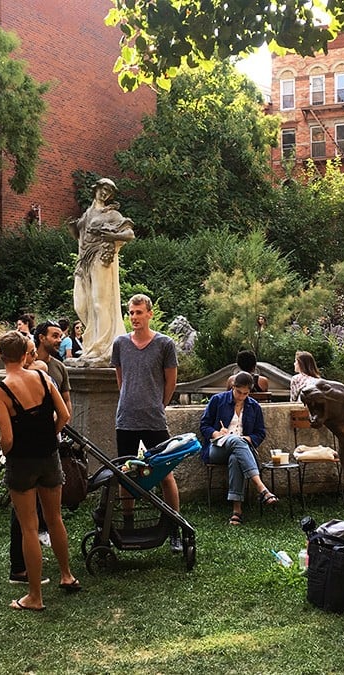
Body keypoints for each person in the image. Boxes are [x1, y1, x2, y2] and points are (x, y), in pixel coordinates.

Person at [0, 331, 78, 611]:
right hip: (49, 457)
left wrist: (5, 452)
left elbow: (8, 439)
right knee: (55, 519)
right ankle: (67, 575)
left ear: (2, 356)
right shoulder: (43, 378)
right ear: (26, 354)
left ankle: (35, 597)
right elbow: (63, 415)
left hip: (22, 462)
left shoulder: (0, 390)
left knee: (29, 527)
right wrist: (48, 436)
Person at [111, 293, 182, 552]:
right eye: (131, 313)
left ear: (150, 314)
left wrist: (157, 404)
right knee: (125, 475)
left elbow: (170, 381)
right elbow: (121, 380)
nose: (134, 317)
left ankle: (174, 526)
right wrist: (130, 400)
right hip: (126, 418)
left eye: (139, 312)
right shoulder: (120, 343)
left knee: (165, 473)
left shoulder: (165, 344)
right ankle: (128, 526)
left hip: (154, 420)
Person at [71, 178, 136, 365]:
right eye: (103, 189)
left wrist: (113, 236)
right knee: (81, 305)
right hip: (83, 262)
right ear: (96, 189)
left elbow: (129, 234)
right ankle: (92, 343)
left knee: (100, 304)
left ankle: (102, 348)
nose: (105, 193)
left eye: (109, 191)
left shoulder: (112, 214)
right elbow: (79, 235)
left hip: (101, 258)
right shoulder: (86, 214)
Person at [199, 372, 277, 524]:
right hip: (218, 447)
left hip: (242, 449)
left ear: (250, 391)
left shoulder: (254, 406)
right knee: (235, 441)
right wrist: (216, 433)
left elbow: (260, 433)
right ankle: (261, 488)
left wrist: (247, 439)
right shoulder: (218, 400)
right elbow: (204, 425)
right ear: (233, 387)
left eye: (246, 393)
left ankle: (237, 511)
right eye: (238, 392)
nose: (241, 396)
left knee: (236, 457)